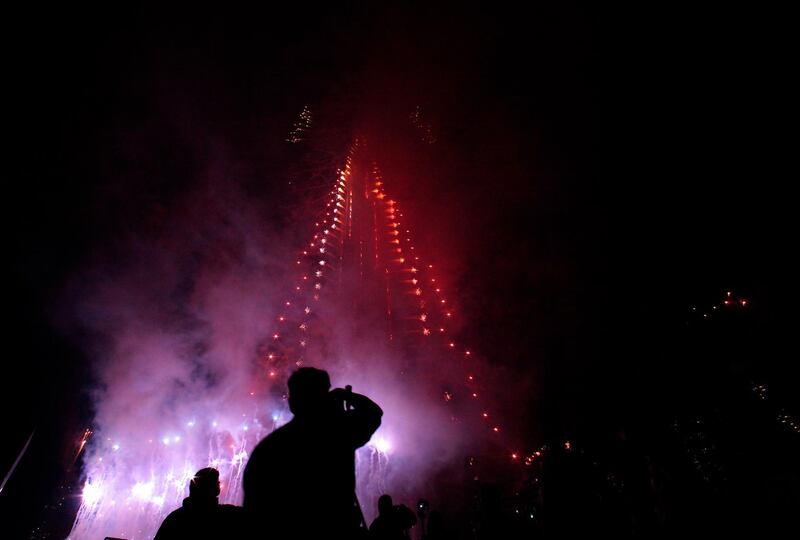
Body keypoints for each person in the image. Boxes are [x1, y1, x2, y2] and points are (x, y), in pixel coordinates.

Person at [243, 367, 383, 538]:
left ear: (292, 402)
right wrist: (345, 396)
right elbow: (374, 413)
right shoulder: (339, 435)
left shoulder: (270, 447)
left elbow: (253, 508)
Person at [153, 467, 244, 539]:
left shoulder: (174, 519)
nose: (219, 484)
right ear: (209, 487)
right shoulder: (227, 515)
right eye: (216, 482)